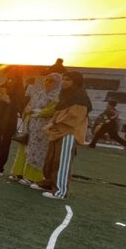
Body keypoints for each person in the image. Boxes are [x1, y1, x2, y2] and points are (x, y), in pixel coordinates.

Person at [33, 71, 92, 199]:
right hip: (57, 132)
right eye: (64, 79)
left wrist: (54, 124)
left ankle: (60, 191)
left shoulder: (80, 97)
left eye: (68, 80)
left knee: (62, 162)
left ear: (76, 82)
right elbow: (58, 112)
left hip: (68, 133)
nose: (64, 82)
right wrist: (53, 123)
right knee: (51, 160)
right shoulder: (65, 96)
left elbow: (74, 117)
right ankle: (49, 183)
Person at [9, 73, 61, 185]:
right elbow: (29, 106)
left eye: (51, 81)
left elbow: (51, 111)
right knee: (25, 149)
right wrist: (27, 111)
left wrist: (33, 112)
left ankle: (33, 177)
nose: (48, 83)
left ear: (57, 83)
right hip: (31, 126)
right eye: (47, 80)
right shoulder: (39, 94)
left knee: (38, 152)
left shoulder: (56, 97)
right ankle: (19, 172)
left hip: (43, 128)